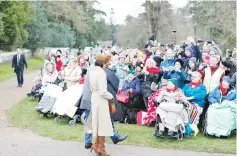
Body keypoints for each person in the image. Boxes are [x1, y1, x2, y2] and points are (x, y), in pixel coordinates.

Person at [80, 54, 127, 151]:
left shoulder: (91, 69)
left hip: (89, 97)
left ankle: (89, 142)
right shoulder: (101, 71)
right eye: (106, 62)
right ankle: (113, 138)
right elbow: (112, 84)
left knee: (91, 121)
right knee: (103, 120)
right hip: (94, 98)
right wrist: (110, 97)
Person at [87, 54, 117, 156]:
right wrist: (111, 96)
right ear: (104, 62)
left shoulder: (92, 71)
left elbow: (92, 88)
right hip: (101, 99)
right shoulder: (101, 73)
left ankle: (97, 146)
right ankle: (101, 148)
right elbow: (103, 92)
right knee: (102, 124)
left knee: (98, 123)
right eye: (107, 62)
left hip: (94, 98)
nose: (108, 64)